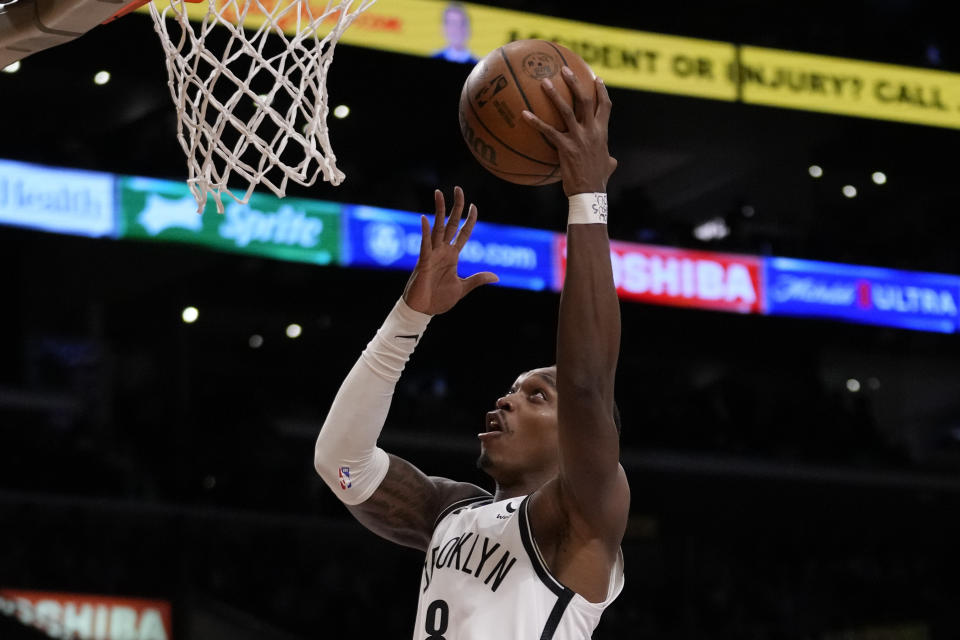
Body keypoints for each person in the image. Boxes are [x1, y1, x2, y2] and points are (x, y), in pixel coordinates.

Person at [314, 67, 626, 638]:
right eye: (512, 388)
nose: (506, 400)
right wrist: (410, 317)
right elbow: (341, 462)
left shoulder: (577, 518)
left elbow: (586, 387)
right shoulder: (449, 512)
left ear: (576, 437)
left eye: (536, 395)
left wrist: (587, 197)